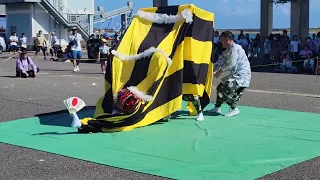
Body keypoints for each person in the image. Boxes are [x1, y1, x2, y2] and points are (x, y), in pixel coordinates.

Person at [208, 31, 251, 117]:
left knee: (226, 87)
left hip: (242, 75)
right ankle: (217, 107)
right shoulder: (228, 50)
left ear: (228, 40)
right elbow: (219, 63)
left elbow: (231, 64)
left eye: (222, 41)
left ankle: (234, 108)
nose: (221, 43)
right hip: (235, 74)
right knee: (220, 87)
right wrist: (209, 70)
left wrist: (219, 72)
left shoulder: (235, 48)